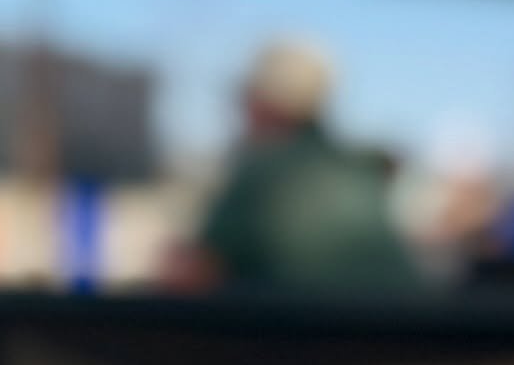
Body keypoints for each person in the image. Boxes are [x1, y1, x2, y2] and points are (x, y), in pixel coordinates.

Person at [170, 40, 419, 295]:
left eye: (246, 98)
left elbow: (190, 277)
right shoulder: (360, 171)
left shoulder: (265, 171)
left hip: (308, 331)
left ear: (263, 102)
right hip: (407, 328)